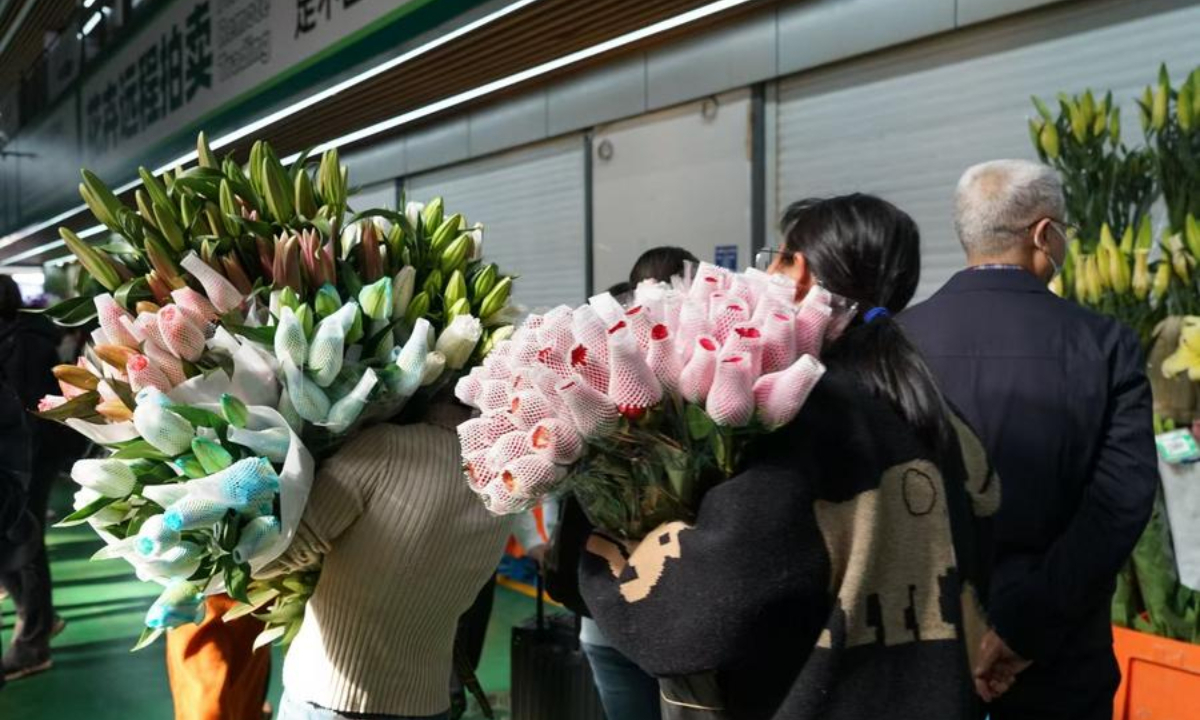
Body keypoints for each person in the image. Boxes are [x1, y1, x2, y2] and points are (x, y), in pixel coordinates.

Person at [580, 195, 999, 720]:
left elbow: (690, 624)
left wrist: (604, 551)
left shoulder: (798, 423)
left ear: (796, 274)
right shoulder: (936, 413)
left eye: (774, 258)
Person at [900, 160, 1157, 720]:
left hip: (925, 650)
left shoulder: (898, 342)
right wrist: (1023, 632)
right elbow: (1121, 503)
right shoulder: (1105, 343)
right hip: (1062, 658)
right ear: (1046, 234)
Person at [264, 390, 510, 720]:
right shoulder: (507, 485)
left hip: (334, 695)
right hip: (428, 703)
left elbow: (284, 552)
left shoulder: (386, 449)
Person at [0, 275, 71, 681]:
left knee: (23, 545)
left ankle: (34, 640)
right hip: (27, 455)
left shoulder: (21, 341)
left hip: (30, 458)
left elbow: (24, 414)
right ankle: (39, 619)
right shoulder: (23, 335)